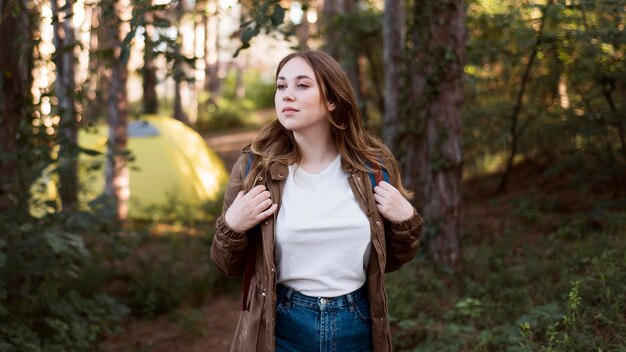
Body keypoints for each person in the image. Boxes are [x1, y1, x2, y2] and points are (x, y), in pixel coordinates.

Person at [210, 50, 424, 352]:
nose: (287, 95)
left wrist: (405, 221)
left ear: (333, 99)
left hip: (358, 324)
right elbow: (227, 265)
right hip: (280, 326)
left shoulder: (373, 168)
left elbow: (391, 259)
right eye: (281, 86)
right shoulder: (255, 169)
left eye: (302, 85)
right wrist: (232, 226)